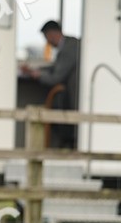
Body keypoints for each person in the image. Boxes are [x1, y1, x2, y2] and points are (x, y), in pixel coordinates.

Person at [21, 21, 80, 149]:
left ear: (52, 34)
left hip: (72, 97)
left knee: (57, 118)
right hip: (70, 96)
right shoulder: (69, 45)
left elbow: (56, 77)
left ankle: (65, 146)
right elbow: (56, 68)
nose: (47, 42)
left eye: (46, 37)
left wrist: (37, 75)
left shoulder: (70, 48)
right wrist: (35, 71)